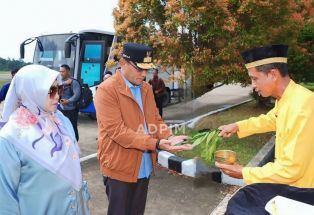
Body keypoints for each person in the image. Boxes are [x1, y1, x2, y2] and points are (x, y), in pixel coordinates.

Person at [215, 44, 314, 214]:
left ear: (273, 74)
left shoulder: (302, 107)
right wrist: (238, 126)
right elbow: (271, 119)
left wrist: (245, 172)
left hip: (307, 195)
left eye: (255, 78)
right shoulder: (289, 98)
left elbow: (290, 170)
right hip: (294, 186)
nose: (253, 86)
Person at [94, 42, 192, 215]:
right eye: (139, 69)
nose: (144, 74)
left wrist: (168, 137)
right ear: (123, 63)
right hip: (119, 167)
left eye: (146, 69)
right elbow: (118, 132)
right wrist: (156, 143)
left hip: (144, 165)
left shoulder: (146, 88)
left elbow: (155, 119)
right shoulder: (106, 90)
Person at [0, 65, 90, 215]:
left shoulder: (61, 121)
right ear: (32, 91)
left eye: (59, 89)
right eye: (50, 90)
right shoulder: (10, 138)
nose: (57, 96)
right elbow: (5, 199)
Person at [59, 64, 81, 141]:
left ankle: (75, 142)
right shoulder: (60, 82)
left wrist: (68, 101)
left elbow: (77, 95)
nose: (61, 73)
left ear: (68, 71)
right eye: (60, 71)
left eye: (63, 71)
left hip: (72, 109)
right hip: (62, 108)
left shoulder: (74, 82)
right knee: (64, 127)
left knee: (72, 126)